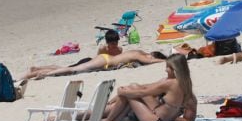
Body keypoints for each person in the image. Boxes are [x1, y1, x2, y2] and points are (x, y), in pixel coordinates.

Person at [101, 53, 197, 121]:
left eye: (168, 67)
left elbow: (143, 92)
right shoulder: (187, 90)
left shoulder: (171, 83)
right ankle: (111, 120)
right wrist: (171, 119)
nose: (165, 70)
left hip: (155, 120)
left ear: (175, 69)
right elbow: (190, 120)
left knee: (130, 93)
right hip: (159, 118)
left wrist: (122, 92)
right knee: (133, 87)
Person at [20, 50, 168, 79]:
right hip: (105, 61)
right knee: (73, 70)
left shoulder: (138, 51)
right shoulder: (142, 56)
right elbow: (149, 61)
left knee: (71, 68)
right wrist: (166, 61)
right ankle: (44, 74)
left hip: (105, 59)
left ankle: (38, 69)